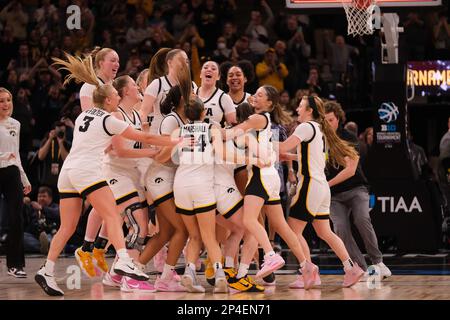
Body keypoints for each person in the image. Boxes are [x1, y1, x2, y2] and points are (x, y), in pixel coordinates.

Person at [34, 52, 178, 297]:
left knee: (67, 228)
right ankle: (123, 259)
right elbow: (145, 137)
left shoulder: (83, 116)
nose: (116, 98)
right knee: (112, 213)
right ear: (110, 100)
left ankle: (46, 270)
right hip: (87, 170)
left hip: (68, 172)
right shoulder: (109, 119)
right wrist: (175, 140)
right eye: (114, 96)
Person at [223, 85, 317, 289]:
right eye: (255, 94)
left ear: (269, 103)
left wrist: (208, 130)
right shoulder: (263, 120)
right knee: (279, 226)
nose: (254, 97)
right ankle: (306, 266)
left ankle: (270, 254)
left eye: (259, 95)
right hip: (271, 177)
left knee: (249, 221)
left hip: (260, 176)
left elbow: (229, 134)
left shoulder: (259, 118)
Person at [279, 95, 365, 289]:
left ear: (309, 111)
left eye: (301, 106)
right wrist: (290, 155)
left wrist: (257, 143)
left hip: (309, 184)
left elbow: (283, 146)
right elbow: (311, 156)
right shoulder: (320, 129)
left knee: (293, 230)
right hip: (322, 187)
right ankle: (350, 268)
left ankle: (308, 272)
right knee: (324, 231)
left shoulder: (305, 127)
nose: (298, 109)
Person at [324, 101, 391, 279]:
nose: (327, 124)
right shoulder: (319, 139)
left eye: (330, 120)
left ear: (338, 119)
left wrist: (326, 184)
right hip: (334, 196)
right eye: (324, 121)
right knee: (340, 228)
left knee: (362, 218)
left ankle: (378, 261)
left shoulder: (349, 137)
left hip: (356, 188)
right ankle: (360, 268)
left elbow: (350, 170)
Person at [0, 87, 31, 278]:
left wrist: (24, 177)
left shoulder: (15, 124)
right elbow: (8, 154)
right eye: (1, 101)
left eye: (8, 100)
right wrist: (4, 156)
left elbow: (16, 154)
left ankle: (16, 264)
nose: (5, 104)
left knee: (16, 218)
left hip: (12, 172)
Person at [195, 60, 236, 126]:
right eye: (205, 68)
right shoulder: (191, 93)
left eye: (213, 69)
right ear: (200, 74)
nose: (209, 70)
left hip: (213, 135)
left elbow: (234, 127)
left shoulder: (224, 97)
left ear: (218, 77)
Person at [23, 186, 59, 254]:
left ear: (50, 198)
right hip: (36, 236)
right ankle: (46, 247)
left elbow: (57, 214)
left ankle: (46, 246)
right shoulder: (33, 208)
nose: (41, 198)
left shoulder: (55, 207)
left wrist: (42, 208)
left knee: (53, 239)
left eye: (44, 196)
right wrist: (25, 205)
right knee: (23, 236)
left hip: (50, 234)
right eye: (39, 196)